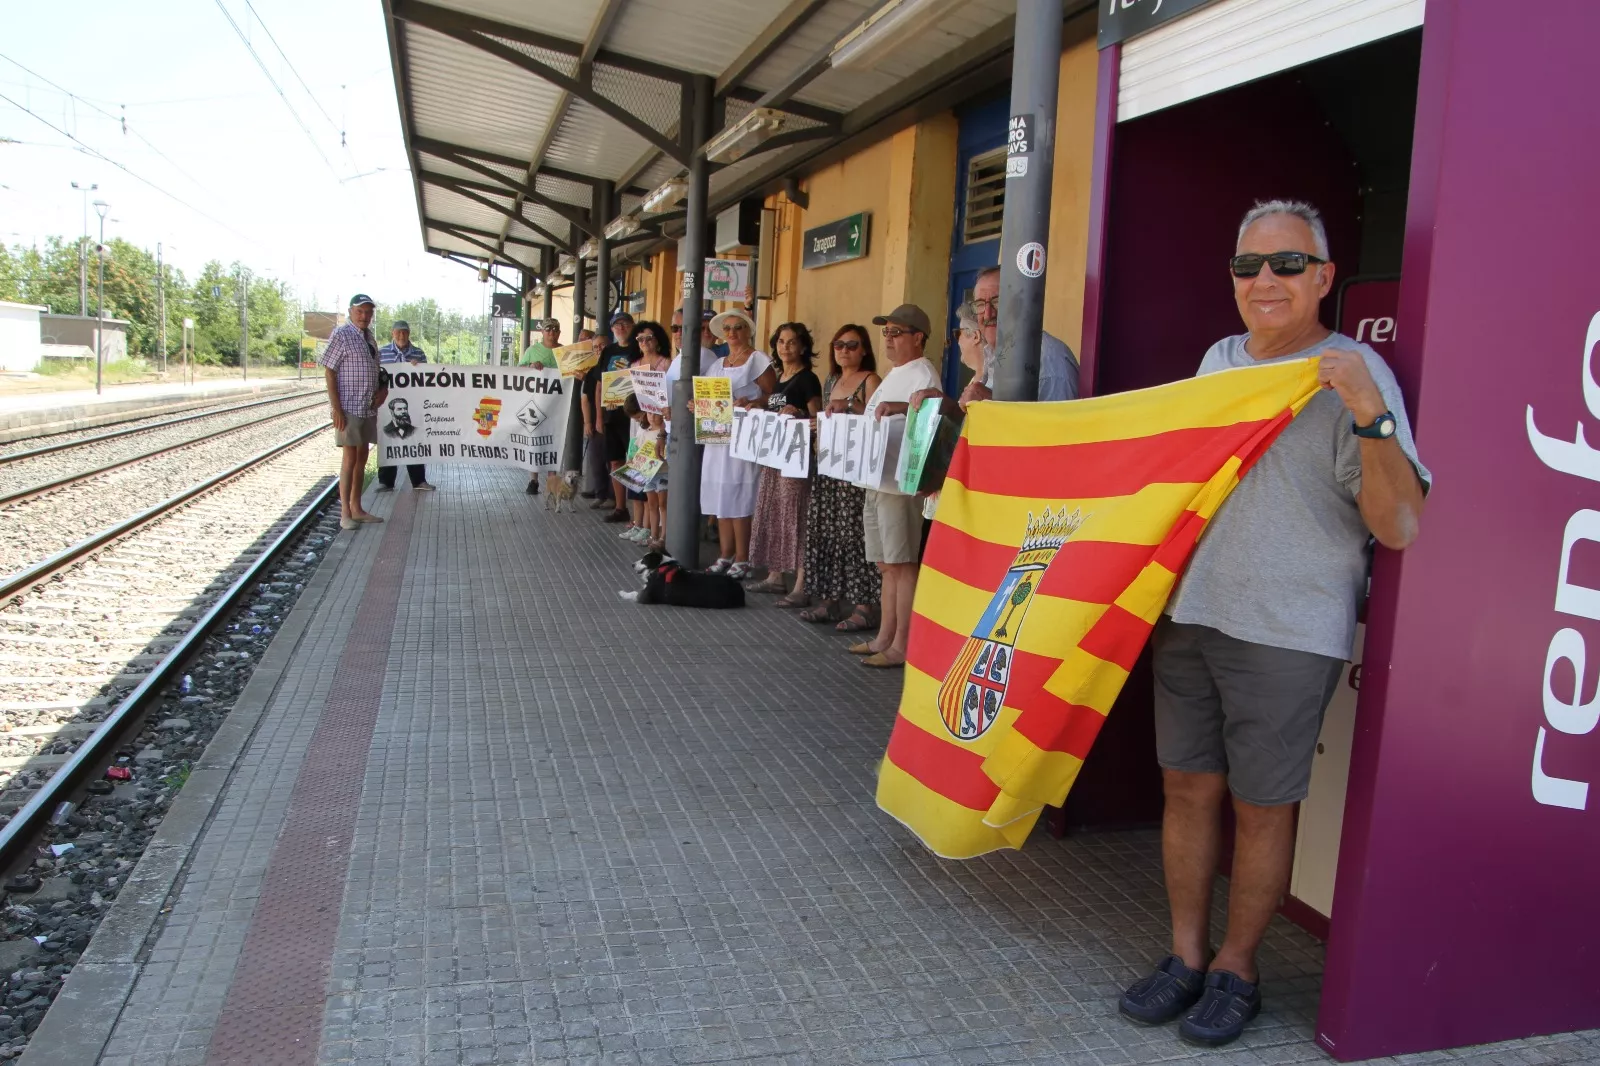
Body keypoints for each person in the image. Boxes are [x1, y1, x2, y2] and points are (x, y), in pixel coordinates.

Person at [1117, 200, 1429, 1047]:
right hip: (1192, 614)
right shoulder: (1218, 361)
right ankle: (1184, 957)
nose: (1265, 281)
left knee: (1261, 807)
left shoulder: (1353, 370)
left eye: (1288, 265)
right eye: (1249, 266)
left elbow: (1397, 524)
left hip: (1288, 631)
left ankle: (1237, 970)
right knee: (1185, 788)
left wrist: (1368, 409)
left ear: (1324, 277)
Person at [849, 304, 940, 669]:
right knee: (887, 565)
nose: (888, 338)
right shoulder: (897, 371)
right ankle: (885, 636)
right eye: (885, 332)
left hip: (901, 485)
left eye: (896, 332)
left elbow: (930, 414)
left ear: (918, 337)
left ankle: (903, 644)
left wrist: (898, 404)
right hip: (877, 479)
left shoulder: (923, 372)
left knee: (902, 565)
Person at [800, 325, 883, 632]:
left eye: (852, 345)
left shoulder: (871, 380)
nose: (844, 350)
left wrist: (849, 406)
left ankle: (866, 606)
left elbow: (876, 419)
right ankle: (831, 600)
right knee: (828, 532)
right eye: (839, 345)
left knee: (856, 535)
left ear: (864, 350)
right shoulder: (831, 380)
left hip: (854, 470)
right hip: (829, 467)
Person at [746, 323, 823, 604]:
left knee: (797, 516)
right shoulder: (781, 377)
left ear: (803, 346)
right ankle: (775, 576)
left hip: (797, 459)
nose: (785, 347)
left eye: (791, 342)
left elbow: (819, 420)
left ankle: (801, 585)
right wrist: (759, 407)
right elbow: (777, 410)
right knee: (774, 512)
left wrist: (800, 413)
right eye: (781, 342)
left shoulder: (808, 379)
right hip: (775, 456)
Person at [699, 310, 775, 579]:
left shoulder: (757, 360)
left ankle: (744, 557)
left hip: (743, 435)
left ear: (748, 330)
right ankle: (725, 553)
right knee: (720, 494)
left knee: (740, 492)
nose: (732, 333)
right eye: (728, 328)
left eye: (738, 327)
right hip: (717, 435)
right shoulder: (718, 363)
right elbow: (707, 396)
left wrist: (753, 403)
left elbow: (774, 396)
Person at [960, 264, 1080, 405]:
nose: (988, 314)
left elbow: (1057, 426)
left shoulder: (1049, 361)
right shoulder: (994, 352)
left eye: (998, 301)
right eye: (980, 304)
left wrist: (994, 405)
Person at [318, 294, 386, 530]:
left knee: (362, 457)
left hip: (367, 408)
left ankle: (357, 508)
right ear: (351, 311)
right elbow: (329, 371)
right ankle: (345, 513)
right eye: (360, 311)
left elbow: (377, 370)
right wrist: (336, 408)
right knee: (349, 459)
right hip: (349, 407)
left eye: (368, 312)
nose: (365, 316)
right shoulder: (342, 335)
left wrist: (382, 389)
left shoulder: (370, 339)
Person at [587, 313, 636, 521]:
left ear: (632, 326)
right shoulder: (608, 351)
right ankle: (620, 507)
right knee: (615, 461)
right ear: (612, 329)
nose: (621, 327)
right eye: (617, 324)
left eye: (625, 323)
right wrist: (598, 416)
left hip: (634, 415)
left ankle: (639, 514)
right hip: (611, 414)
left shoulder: (637, 348)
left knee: (635, 461)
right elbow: (599, 385)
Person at [629, 320, 673, 549]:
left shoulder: (667, 364)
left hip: (663, 424)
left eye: (649, 338)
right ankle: (647, 529)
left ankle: (662, 535)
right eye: (640, 339)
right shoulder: (635, 365)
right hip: (643, 425)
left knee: (662, 497)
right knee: (649, 493)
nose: (645, 342)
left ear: (658, 340)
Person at [376, 320, 433, 492]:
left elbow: (428, 377)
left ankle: (419, 481)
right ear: (392, 333)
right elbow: (376, 376)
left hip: (412, 404)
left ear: (409, 334)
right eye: (398, 332)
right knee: (388, 438)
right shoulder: (381, 353)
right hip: (387, 403)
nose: (401, 335)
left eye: (405, 332)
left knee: (414, 439)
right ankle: (386, 482)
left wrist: (419, 367)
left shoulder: (418, 353)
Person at [519, 319, 561, 495]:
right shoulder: (532, 350)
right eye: (548, 329)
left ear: (559, 332)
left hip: (558, 404)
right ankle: (533, 480)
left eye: (555, 329)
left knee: (555, 441)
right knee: (534, 440)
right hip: (535, 403)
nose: (551, 332)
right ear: (542, 332)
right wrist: (531, 366)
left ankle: (552, 481)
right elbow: (519, 371)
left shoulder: (563, 351)